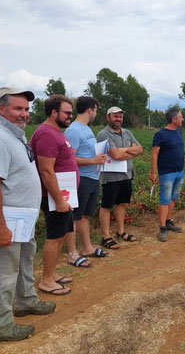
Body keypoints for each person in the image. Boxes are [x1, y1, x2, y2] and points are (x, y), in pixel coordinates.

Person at [0, 87, 55, 343]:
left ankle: (26, 300)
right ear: (1, 109)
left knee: (23, 263)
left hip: (20, 221)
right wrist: (1, 227)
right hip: (4, 222)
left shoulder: (12, 135)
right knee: (2, 273)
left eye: (26, 109)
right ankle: (0, 325)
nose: (24, 114)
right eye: (18, 108)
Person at [29, 94, 77, 296]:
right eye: (67, 112)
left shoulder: (56, 132)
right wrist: (58, 200)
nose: (70, 116)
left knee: (61, 235)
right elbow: (46, 170)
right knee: (54, 236)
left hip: (64, 195)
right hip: (54, 197)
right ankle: (47, 281)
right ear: (54, 112)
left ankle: (53, 273)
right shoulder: (47, 134)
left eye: (71, 113)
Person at [64, 96, 108, 266]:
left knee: (84, 216)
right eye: (95, 110)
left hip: (92, 177)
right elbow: (69, 159)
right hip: (80, 179)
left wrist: (98, 157)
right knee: (74, 217)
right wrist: (92, 161)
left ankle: (87, 248)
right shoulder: (74, 131)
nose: (96, 114)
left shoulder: (87, 129)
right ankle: (72, 254)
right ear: (90, 109)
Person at [96, 106, 142, 249]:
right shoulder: (103, 134)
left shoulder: (127, 133)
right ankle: (106, 237)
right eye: (115, 116)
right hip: (111, 176)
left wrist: (122, 151)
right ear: (108, 117)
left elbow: (139, 149)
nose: (118, 119)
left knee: (121, 203)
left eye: (120, 116)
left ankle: (121, 231)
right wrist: (130, 151)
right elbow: (115, 155)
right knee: (106, 206)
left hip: (127, 175)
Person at [149, 108, 185, 242]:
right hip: (167, 172)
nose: (182, 119)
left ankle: (169, 222)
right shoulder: (160, 134)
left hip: (179, 171)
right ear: (173, 119)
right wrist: (153, 172)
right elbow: (154, 154)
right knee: (164, 199)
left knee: (173, 198)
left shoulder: (178, 131)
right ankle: (162, 227)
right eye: (181, 117)